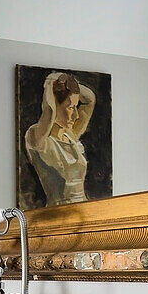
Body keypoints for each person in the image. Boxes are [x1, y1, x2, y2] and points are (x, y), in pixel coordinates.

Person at [25, 71, 95, 207]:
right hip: (58, 214)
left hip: (84, 212)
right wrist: (50, 85)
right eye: (70, 107)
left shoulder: (71, 135)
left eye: (76, 107)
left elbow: (90, 99)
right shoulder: (37, 139)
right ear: (53, 104)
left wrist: (70, 84)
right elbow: (49, 112)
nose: (76, 115)